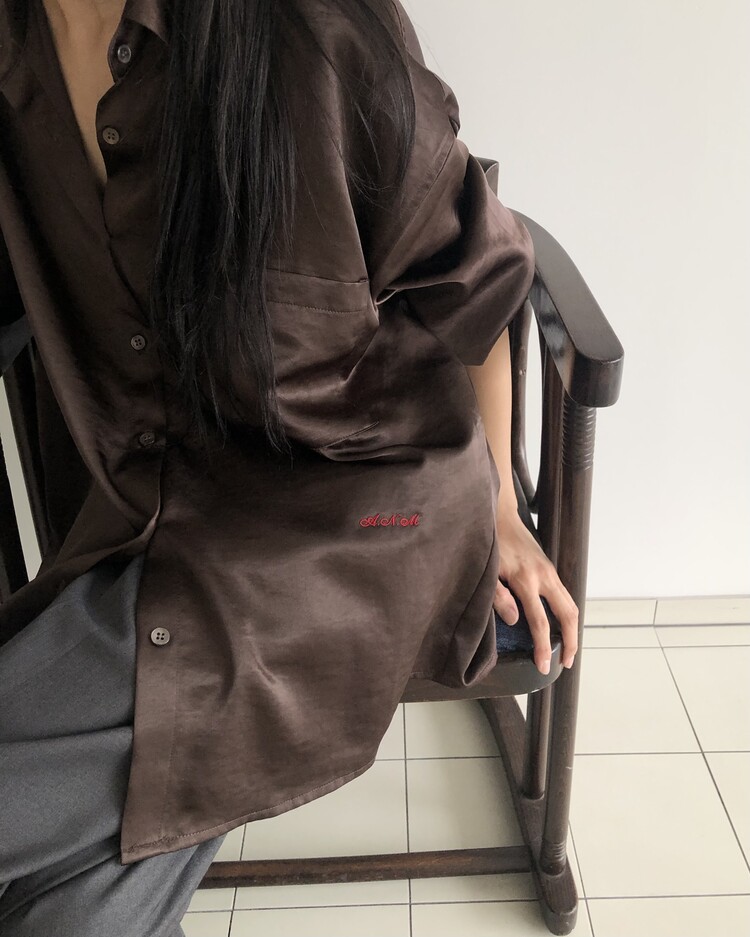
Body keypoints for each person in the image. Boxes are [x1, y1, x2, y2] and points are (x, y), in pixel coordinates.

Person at [0, 0, 579, 930]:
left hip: (366, 518)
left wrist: (502, 506)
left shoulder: (313, 28)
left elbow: (476, 284)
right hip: (154, 514)